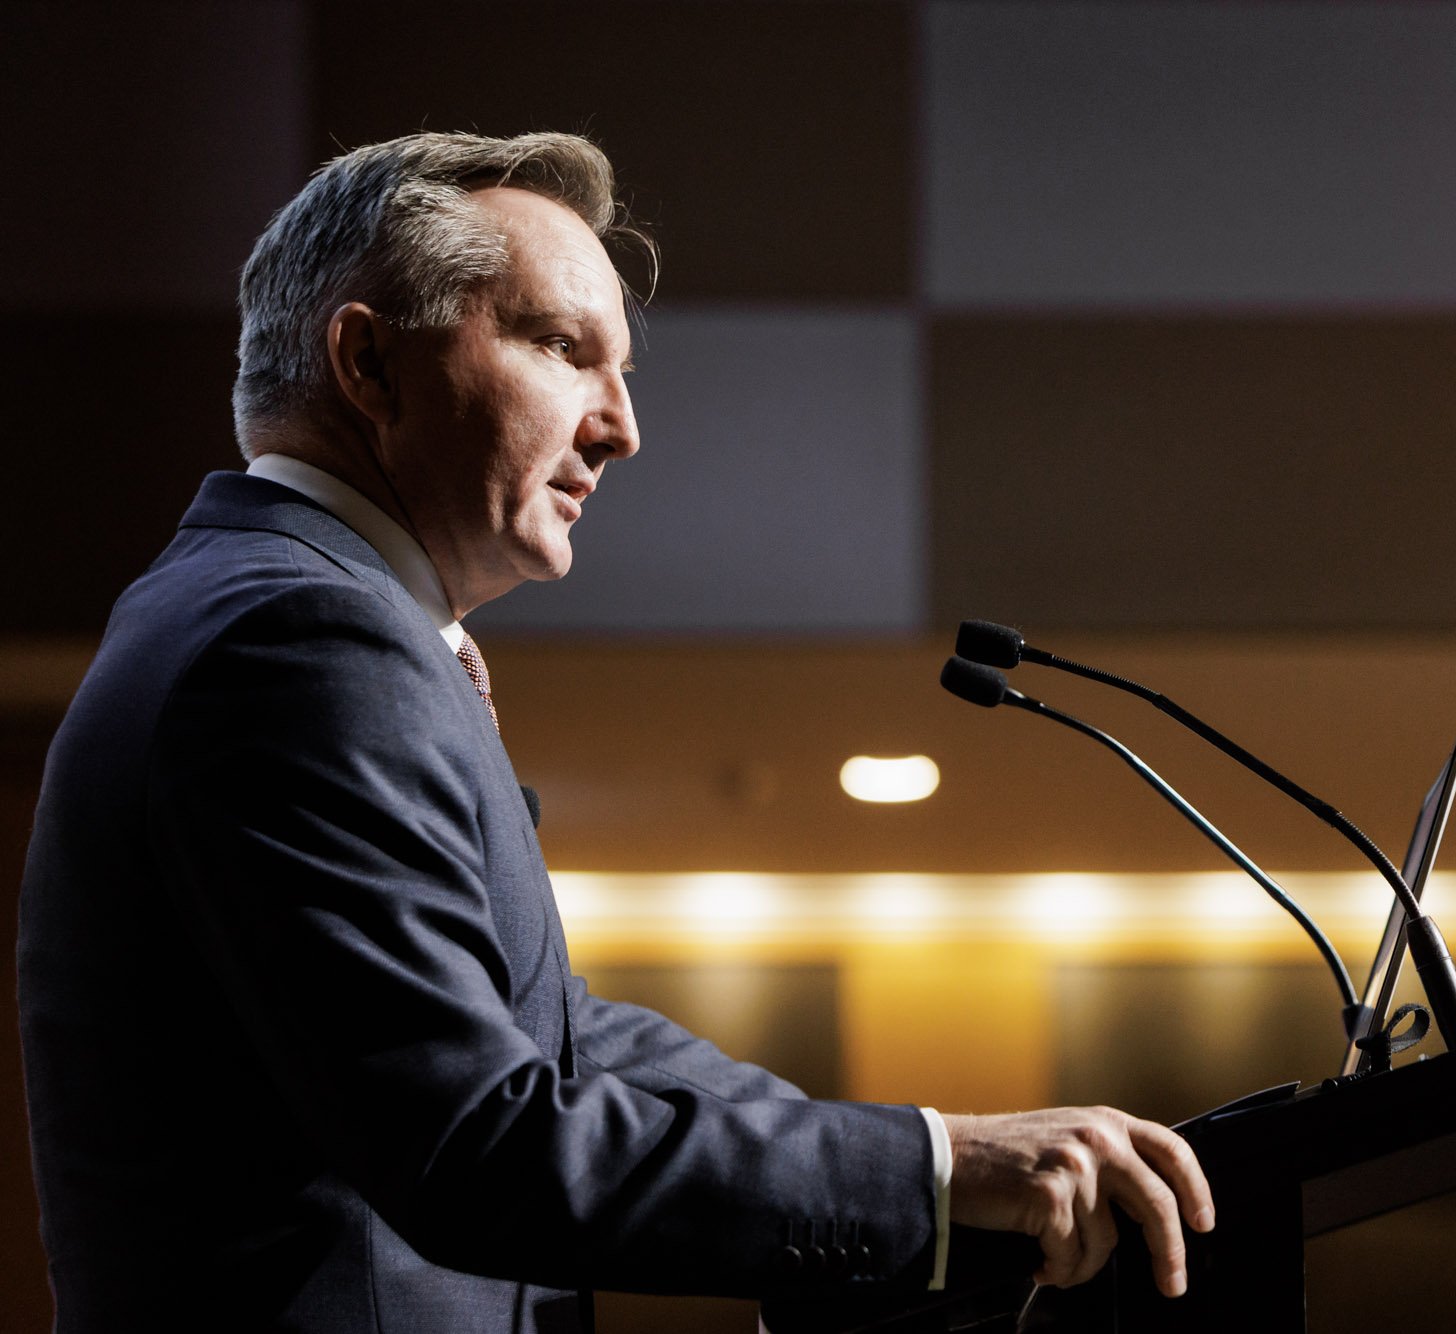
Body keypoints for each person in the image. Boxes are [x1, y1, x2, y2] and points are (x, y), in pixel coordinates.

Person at [15, 132, 1211, 1330]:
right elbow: (476, 1137)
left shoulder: (263, 609)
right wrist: (931, 1177)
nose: (621, 424)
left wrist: (930, 1151)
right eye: (562, 346)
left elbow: (557, 1035)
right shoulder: (301, 643)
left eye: (621, 368)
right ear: (368, 360)